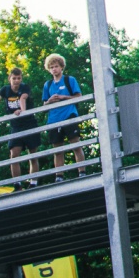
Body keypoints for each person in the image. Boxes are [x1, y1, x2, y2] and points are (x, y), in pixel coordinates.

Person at [0, 67, 42, 188]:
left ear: (21, 79)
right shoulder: (5, 90)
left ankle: (33, 182)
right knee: (14, 154)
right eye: (14, 78)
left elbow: (23, 98)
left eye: (19, 78)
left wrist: (22, 111)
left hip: (29, 123)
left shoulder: (25, 87)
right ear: (10, 79)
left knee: (33, 154)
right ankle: (17, 184)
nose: (16, 81)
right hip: (16, 126)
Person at [42, 54, 85, 182]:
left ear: (61, 67)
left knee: (75, 144)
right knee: (57, 149)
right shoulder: (48, 84)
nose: (54, 69)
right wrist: (50, 101)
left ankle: (82, 172)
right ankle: (59, 176)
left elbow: (79, 97)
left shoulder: (69, 80)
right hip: (54, 119)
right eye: (51, 67)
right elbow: (44, 105)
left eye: (56, 66)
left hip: (69, 114)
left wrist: (64, 97)